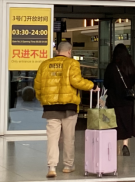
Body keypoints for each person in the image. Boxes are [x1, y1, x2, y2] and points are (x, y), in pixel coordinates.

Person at [34, 41, 99, 179]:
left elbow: (37, 85)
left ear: (57, 51)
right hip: (69, 107)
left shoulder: (45, 64)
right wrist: (92, 86)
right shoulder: (72, 63)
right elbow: (77, 81)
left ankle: (52, 167)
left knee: (52, 138)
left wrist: (42, 100)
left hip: (50, 107)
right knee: (69, 138)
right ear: (69, 51)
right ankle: (68, 165)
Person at [104, 44, 135, 157]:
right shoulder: (130, 66)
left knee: (114, 122)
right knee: (126, 122)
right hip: (127, 100)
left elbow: (106, 83)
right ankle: (125, 145)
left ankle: (114, 146)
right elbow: (133, 81)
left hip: (114, 100)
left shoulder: (111, 67)